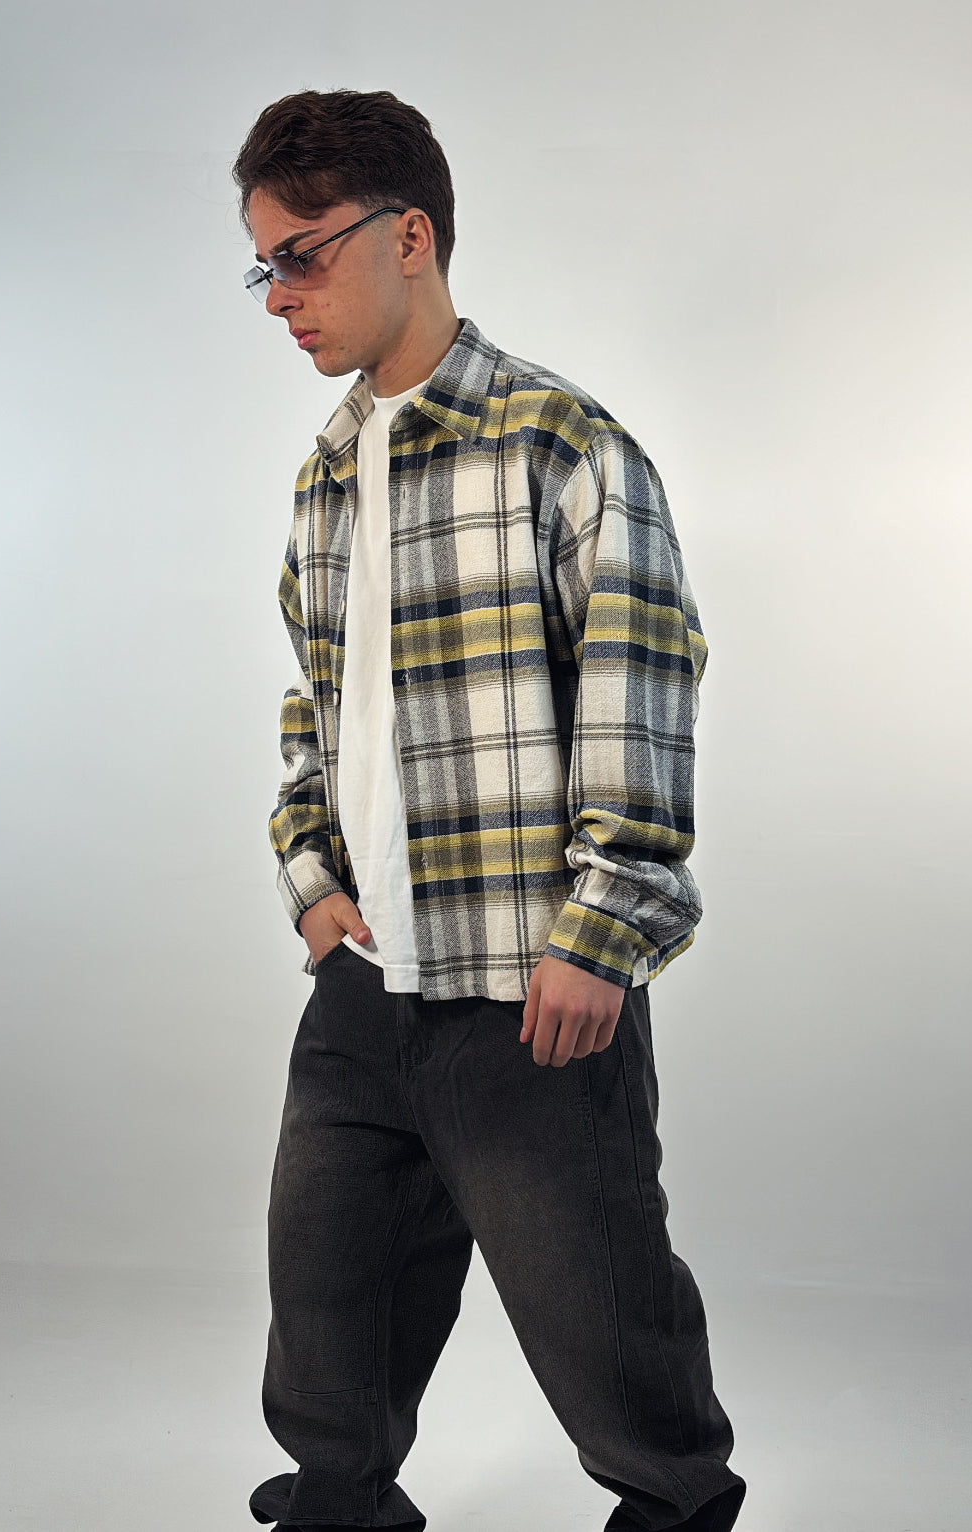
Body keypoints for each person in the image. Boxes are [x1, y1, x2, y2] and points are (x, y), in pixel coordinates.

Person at [232, 88, 746, 1532]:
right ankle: (340, 1508)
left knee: (601, 1319)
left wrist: (602, 932)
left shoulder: (561, 445)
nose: (280, 296)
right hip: (365, 981)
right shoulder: (328, 470)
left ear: (411, 236)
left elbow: (645, 685)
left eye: (303, 255)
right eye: (263, 266)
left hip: (531, 986)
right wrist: (311, 880)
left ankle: (677, 1510)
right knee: (327, 1315)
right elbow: (317, 704)